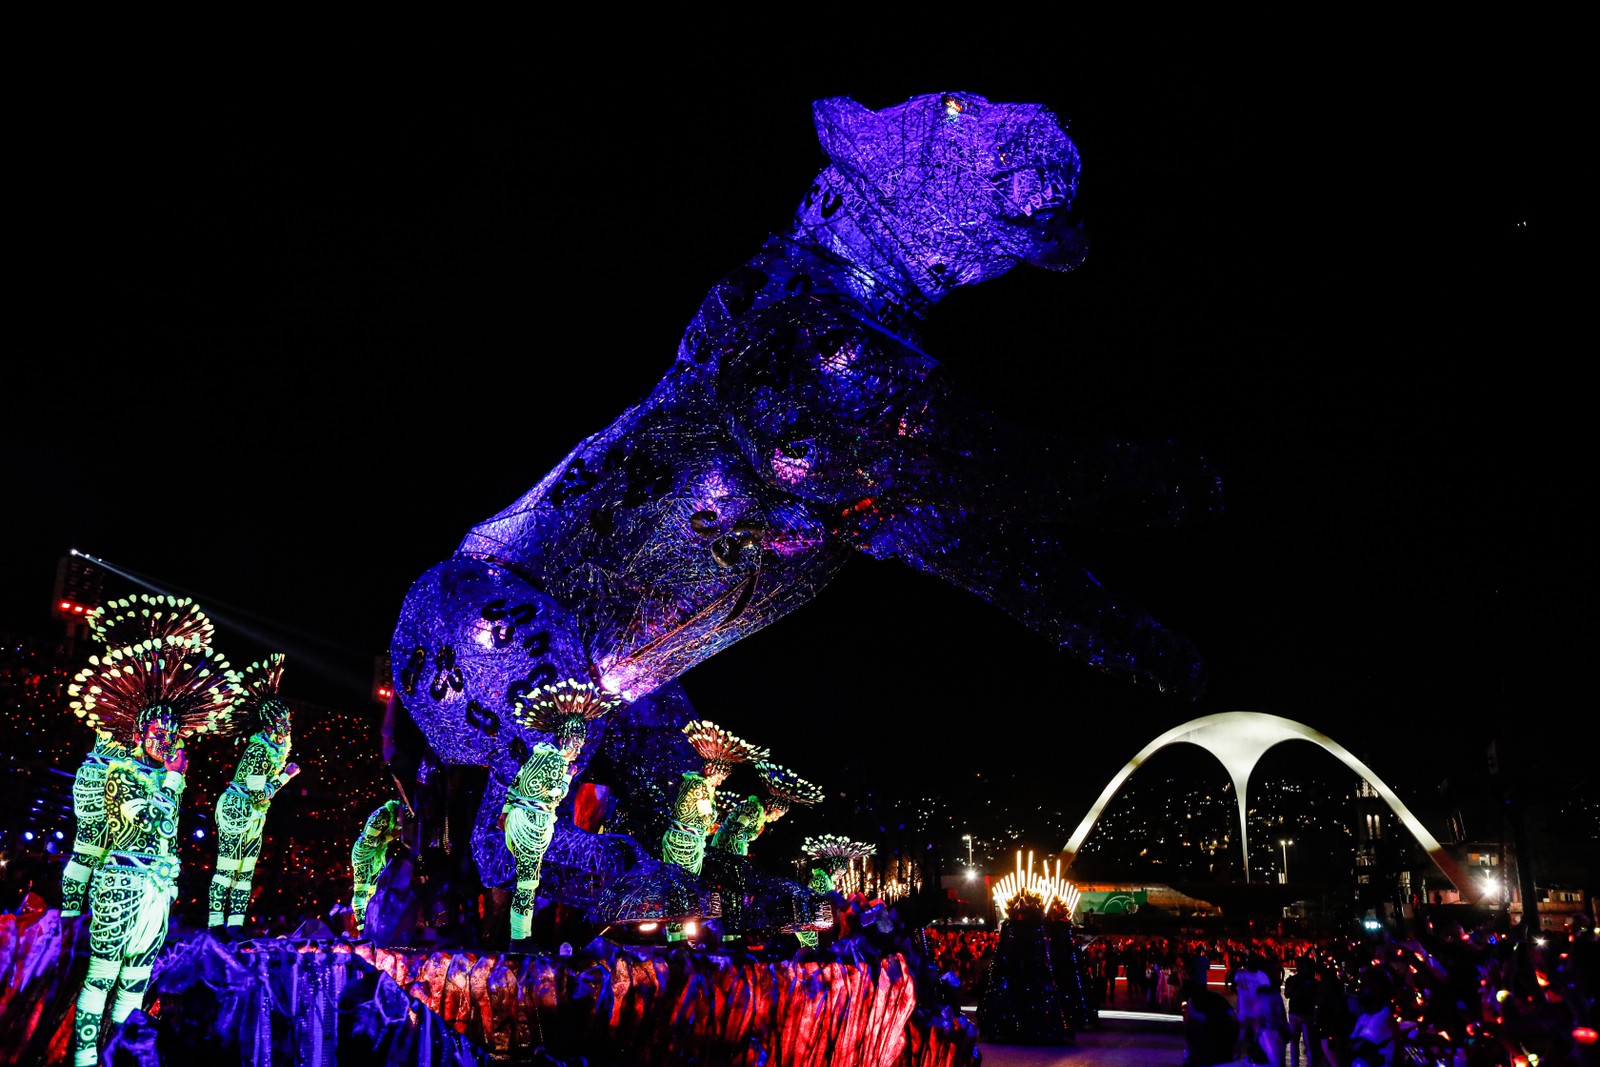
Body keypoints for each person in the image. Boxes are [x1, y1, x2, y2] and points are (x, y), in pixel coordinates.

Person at [61, 629, 235, 1067]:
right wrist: (173, 780)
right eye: (160, 731)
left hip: (158, 887)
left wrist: (171, 781)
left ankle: (122, 1052)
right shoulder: (123, 774)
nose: (169, 740)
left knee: (137, 978)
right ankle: (82, 1057)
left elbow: (167, 829)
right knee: (102, 975)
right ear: (139, 732)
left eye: (174, 733)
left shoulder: (164, 778)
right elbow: (146, 820)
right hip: (120, 878)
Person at [498, 679, 614, 952]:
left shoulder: (539, 755)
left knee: (527, 881)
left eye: (580, 743)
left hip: (521, 819)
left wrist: (505, 812)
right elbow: (555, 795)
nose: (578, 749)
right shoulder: (557, 760)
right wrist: (568, 778)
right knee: (527, 883)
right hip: (531, 823)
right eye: (576, 742)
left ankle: (521, 936)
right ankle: (518, 940)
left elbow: (516, 785)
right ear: (564, 739)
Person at [209, 654, 301, 937]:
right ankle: (215, 924)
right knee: (227, 869)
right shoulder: (259, 750)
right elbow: (259, 794)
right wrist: (287, 776)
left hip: (255, 815)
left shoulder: (273, 751)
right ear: (270, 724)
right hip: (237, 809)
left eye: (288, 720)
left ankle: (235, 924)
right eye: (282, 722)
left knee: (246, 871)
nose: (287, 726)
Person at [661, 721, 766, 876]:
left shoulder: (695, 783)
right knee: (682, 881)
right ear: (710, 770)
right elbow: (707, 818)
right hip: (684, 843)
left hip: (687, 839)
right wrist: (753, 834)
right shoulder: (700, 788)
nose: (720, 782)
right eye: (720, 777)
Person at [350, 799, 405, 938]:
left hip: (378, 855)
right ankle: (362, 928)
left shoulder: (393, 817)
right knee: (362, 890)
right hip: (364, 854)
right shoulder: (382, 815)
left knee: (375, 891)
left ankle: (371, 925)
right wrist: (390, 836)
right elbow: (369, 840)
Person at [1235, 952, 1274, 1064]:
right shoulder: (1243, 974)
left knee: (1257, 1037)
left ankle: (1257, 1058)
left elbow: (1267, 994)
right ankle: (1240, 1059)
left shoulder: (1245, 974)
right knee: (1244, 1037)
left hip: (1255, 1013)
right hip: (1247, 1013)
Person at [1282, 956, 1320, 1067]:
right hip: (1298, 1013)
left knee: (1304, 1042)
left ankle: (1305, 1064)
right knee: (1301, 1042)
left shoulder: (1311, 981)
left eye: (1301, 965)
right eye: (1298, 965)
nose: (1299, 967)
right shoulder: (1294, 980)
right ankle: (1301, 1064)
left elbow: (1316, 997)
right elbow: (1287, 994)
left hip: (1304, 1013)